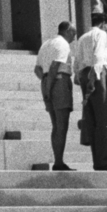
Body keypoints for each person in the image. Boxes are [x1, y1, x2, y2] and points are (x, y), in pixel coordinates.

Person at [70, 12, 107, 170]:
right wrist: (93, 79)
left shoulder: (83, 37)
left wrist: (84, 78)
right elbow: (98, 57)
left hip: (83, 74)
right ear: (104, 23)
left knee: (92, 119)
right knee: (104, 120)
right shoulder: (101, 34)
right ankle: (104, 161)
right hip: (95, 74)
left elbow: (76, 63)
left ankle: (98, 161)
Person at [34, 20, 75, 170]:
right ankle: (58, 161)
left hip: (47, 81)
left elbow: (37, 69)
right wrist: (50, 87)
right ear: (68, 31)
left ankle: (58, 160)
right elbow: (54, 67)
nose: (73, 38)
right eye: (73, 34)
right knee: (61, 125)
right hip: (59, 81)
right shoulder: (63, 44)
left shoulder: (46, 44)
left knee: (55, 125)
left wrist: (45, 83)